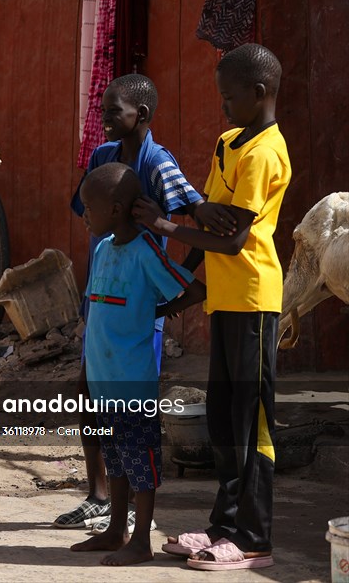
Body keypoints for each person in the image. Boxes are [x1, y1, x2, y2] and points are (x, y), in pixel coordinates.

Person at [134, 43, 288, 571]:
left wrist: (165, 225)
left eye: (229, 96)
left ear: (260, 92)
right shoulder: (229, 142)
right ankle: (223, 527)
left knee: (252, 422)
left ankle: (254, 540)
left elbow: (233, 241)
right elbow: (211, 231)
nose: (222, 107)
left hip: (253, 299)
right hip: (224, 300)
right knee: (223, 418)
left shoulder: (266, 153)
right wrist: (186, 287)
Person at [57, 74, 208, 531]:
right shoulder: (104, 157)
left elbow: (195, 214)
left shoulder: (158, 163)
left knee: (130, 418)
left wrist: (175, 288)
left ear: (140, 115)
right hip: (103, 299)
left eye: (111, 112)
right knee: (88, 400)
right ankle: (98, 494)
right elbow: (89, 214)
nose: (102, 120)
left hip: (137, 303)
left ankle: (131, 521)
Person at [70, 162, 205, 566]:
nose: (85, 219)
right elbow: (97, 314)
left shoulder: (146, 251)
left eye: (88, 211)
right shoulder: (104, 250)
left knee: (140, 460)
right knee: (115, 458)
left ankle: (142, 540)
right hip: (101, 379)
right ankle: (116, 531)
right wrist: (86, 374)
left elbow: (194, 289)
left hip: (131, 382)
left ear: (114, 209)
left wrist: (157, 310)